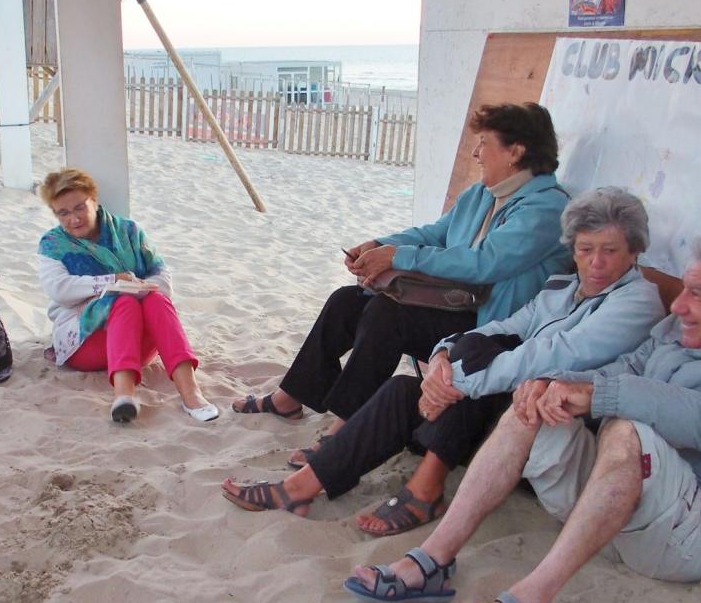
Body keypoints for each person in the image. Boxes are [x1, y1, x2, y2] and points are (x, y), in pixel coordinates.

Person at [343, 229, 701, 603]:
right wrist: (560, 386)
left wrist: (601, 396)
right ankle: (435, 559)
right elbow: (626, 370)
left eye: (696, 295)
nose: (677, 306)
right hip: (613, 515)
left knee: (627, 428)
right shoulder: (682, 329)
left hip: (692, 537)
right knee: (533, 399)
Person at [222, 187, 665, 529]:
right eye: (586, 249)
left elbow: (551, 356)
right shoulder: (564, 289)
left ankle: (425, 489)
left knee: (481, 383)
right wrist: (442, 356)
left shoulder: (636, 302)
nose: (596, 262)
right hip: (512, 404)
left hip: (556, 431)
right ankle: (301, 488)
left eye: (610, 250)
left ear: (634, 251)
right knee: (407, 386)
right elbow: (501, 328)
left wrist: (452, 383)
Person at [231, 101, 570, 436]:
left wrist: (398, 257)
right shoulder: (482, 194)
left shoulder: (546, 208)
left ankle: (346, 428)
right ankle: (290, 397)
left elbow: (484, 264)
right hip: (457, 302)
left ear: (515, 152)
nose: (476, 153)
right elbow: (436, 234)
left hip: (490, 324)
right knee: (347, 301)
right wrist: (379, 245)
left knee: (386, 314)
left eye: (484, 143)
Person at [37, 167, 218, 424]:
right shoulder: (53, 244)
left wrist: (142, 287)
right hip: (86, 340)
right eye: (62, 213)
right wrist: (112, 282)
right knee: (123, 302)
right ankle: (124, 396)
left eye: (79, 207)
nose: (73, 219)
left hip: (137, 341)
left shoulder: (128, 231)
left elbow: (160, 274)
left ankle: (191, 393)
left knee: (155, 299)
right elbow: (60, 290)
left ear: (94, 201)